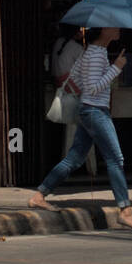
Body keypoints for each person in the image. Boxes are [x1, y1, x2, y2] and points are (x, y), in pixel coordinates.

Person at [30, 28, 132, 230]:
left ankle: (39, 195)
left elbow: (76, 81)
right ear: (104, 30)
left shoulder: (92, 52)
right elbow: (93, 88)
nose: (118, 29)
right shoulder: (95, 53)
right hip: (95, 111)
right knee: (115, 159)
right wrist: (116, 68)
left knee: (74, 159)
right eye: (114, 25)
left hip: (89, 110)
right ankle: (125, 211)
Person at [49, 25, 95, 175]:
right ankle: (89, 166)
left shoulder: (58, 43)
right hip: (74, 92)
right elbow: (88, 67)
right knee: (83, 128)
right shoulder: (75, 47)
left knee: (73, 131)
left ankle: (76, 165)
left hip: (62, 90)